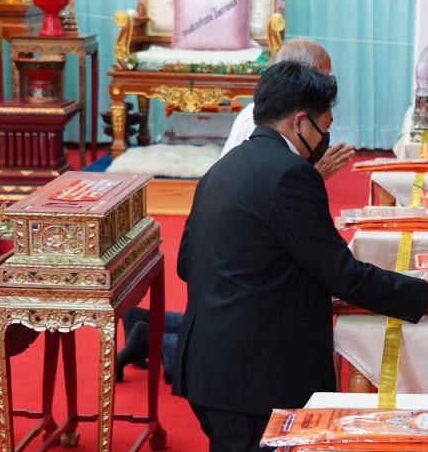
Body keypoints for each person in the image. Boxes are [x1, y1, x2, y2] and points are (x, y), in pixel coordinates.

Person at [97, 61, 428, 452]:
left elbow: (188, 263)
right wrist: (426, 291)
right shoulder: (291, 175)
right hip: (250, 381)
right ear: (300, 121)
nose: (325, 139)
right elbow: (342, 275)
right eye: (324, 127)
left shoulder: (226, 166)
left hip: (212, 370)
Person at [114, 38, 355, 381]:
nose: (328, 86)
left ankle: (149, 326)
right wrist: (313, 177)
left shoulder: (269, 119)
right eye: (323, 77)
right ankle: (157, 343)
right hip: (236, 266)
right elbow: (266, 195)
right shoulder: (263, 133)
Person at [220, 37, 355, 176]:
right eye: (322, 76)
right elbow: (268, 184)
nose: (326, 84)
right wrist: (316, 175)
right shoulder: (260, 121)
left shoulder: (284, 112)